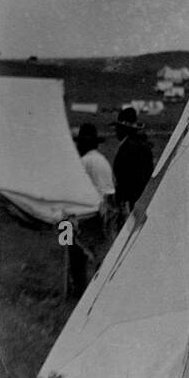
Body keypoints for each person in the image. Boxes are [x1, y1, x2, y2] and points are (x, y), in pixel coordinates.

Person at [67, 122, 116, 299]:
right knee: (100, 252)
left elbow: (75, 189)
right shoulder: (102, 160)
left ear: (84, 143)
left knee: (74, 249)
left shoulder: (85, 161)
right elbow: (109, 191)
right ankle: (99, 291)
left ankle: (78, 290)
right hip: (104, 211)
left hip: (88, 215)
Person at [112, 107, 154, 217]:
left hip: (132, 198)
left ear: (123, 129)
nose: (115, 131)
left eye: (118, 128)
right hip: (141, 196)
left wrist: (120, 197)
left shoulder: (129, 148)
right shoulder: (140, 145)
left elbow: (127, 177)